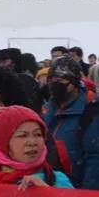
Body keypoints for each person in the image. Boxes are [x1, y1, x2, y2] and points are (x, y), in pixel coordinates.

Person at [41, 56, 99, 189]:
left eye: (61, 80)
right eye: (52, 80)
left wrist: (86, 195)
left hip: (76, 188)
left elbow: (95, 159)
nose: (55, 84)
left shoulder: (91, 111)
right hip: (51, 184)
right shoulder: (48, 109)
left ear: (75, 82)